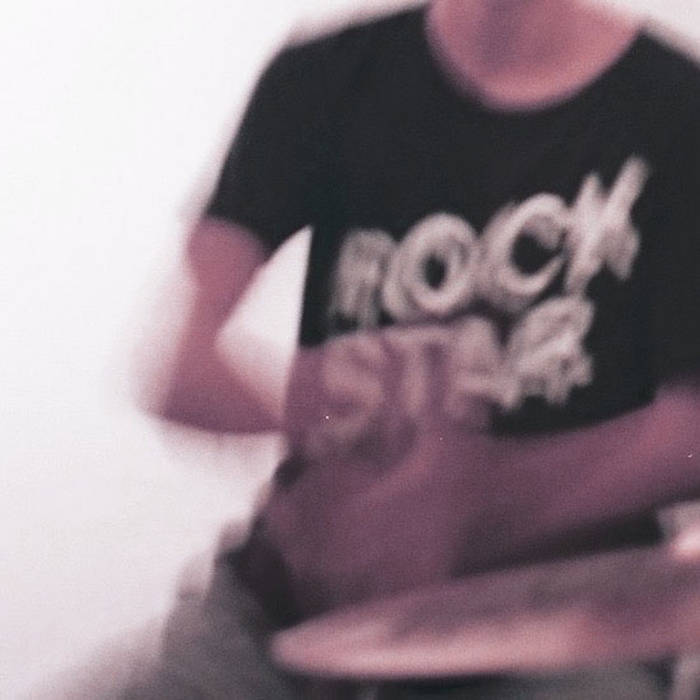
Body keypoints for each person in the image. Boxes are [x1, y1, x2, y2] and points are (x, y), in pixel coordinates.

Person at [132, 0, 700, 697]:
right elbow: (181, 372)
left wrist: (470, 502)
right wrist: (327, 416)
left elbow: (688, 436)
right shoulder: (322, 76)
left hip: (556, 615)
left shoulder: (677, 111)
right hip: (297, 599)